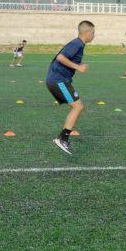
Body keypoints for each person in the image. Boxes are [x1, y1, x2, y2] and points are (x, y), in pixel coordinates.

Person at [46, 21, 95, 155]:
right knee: (78, 106)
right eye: (93, 33)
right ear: (87, 32)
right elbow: (61, 57)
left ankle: (62, 137)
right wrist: (78, 67)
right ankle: (62, 138)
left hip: (59, 81)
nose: (94, 36)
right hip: (58, 81)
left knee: (77, 106)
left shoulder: (78, 44)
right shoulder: (77, 43)